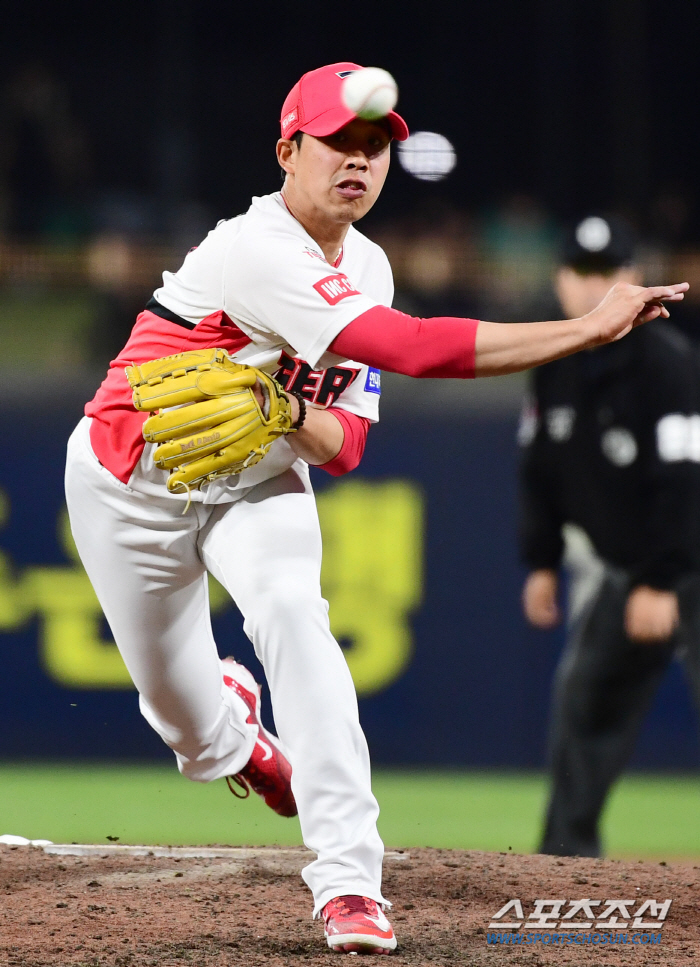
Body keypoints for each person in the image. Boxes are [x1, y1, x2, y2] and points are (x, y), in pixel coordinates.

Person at [65, 61, 687, 954]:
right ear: (288, 149)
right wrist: (585, 328)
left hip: (256, 483)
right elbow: (417, 350)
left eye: (375, 147)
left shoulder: (370, 265)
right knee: (189, 732)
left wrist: (286, 412)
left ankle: (349, 882)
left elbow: (347, 445)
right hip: (132, 487)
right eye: (338, 142)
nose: (359, 160)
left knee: (294, 615)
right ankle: (235, 736)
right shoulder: (255, 248)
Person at [519, 216, 700, 858]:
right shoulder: (556, 364)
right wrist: (541, 561)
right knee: (585, 702)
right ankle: (565, 869)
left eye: (609, 271)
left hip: (681, 563)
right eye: (582, 272)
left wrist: (661, 579)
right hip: (633, 566)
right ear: (562, 280)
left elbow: (685, 483)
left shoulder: (667, 363)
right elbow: (540, 471)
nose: (595, 285)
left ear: (634, 280)